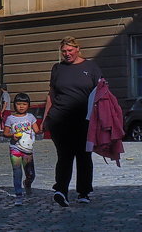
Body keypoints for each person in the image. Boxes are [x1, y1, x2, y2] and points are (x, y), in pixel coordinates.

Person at [42, 36, 102, 207]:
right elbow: (51, 94)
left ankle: (83, 192)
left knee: (84, 156)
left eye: (70, 50)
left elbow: (101, 93)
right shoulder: (57, 68)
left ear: (77, 49)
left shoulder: (91, 67)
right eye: (64, 51)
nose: (67, 54)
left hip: (84, 120)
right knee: (64, 155)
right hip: (59, 120)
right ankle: (61, 190)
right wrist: (45, 118)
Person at [3, 92, 40, 206]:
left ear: (28, 105)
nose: (21, 106)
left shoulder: (30, 117)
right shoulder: (10, 118)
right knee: (17, 171)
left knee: (30, 173)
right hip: (15, 149)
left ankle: (27, 183)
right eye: (19, 104)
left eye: (24, 104)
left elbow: (37, 130)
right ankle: (18, 194)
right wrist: (12, 135)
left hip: (27, 150)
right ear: (15, 105)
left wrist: (35, 132)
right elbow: (5, 133)